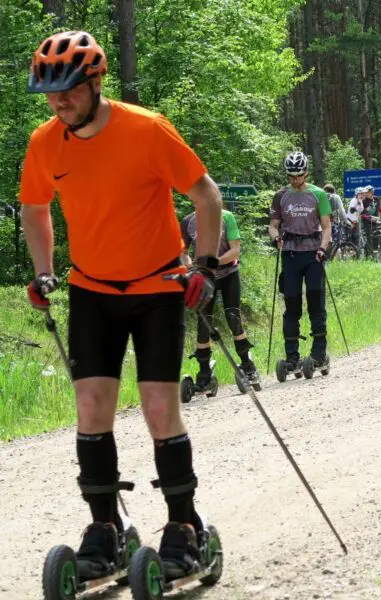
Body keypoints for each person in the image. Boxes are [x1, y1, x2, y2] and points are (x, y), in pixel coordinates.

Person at [20, 31, 221, 580]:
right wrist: (44, 272)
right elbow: (34, 207)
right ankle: (105, 530)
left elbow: (205, 194)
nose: (58, 102)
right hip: (91, 291)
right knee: (91, 412)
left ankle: (184, 528)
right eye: (49, 93)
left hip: (158, 286)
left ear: (94, 82)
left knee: (160, 410)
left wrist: (202, 266)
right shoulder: (45, 143)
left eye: (67, 91)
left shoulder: (147, 129)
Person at [180, 208, 259, 389]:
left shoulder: (226, 217)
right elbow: (182, 251)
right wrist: (189, 265)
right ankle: (204, 373)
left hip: (229, 273)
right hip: (205, 277)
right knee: (204, 324)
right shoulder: (187, 222)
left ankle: (247, 364)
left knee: (233, 317)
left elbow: (235, 250)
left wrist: (214, 262)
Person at [269, 152, 332, 374]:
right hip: (291, 254)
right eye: (291, 176)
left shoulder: (318, 194)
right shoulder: (280, 195)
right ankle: (292, 357)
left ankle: (319, 354)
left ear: (306, 173)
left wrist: (323, 248)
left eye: (299, 176)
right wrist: (275, 237)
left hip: (313, 253)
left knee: (315, 299)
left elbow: (326, 227)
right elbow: (273, 224)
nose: (295, 180)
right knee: (292, 305)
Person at [323, 183, 351, 248]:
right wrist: (346, 221)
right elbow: (341, 211)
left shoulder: (321, 196)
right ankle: (332, 255)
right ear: (333, 190)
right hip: (333, 222)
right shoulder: (336, 197)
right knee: (335, 241)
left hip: (322, 222)